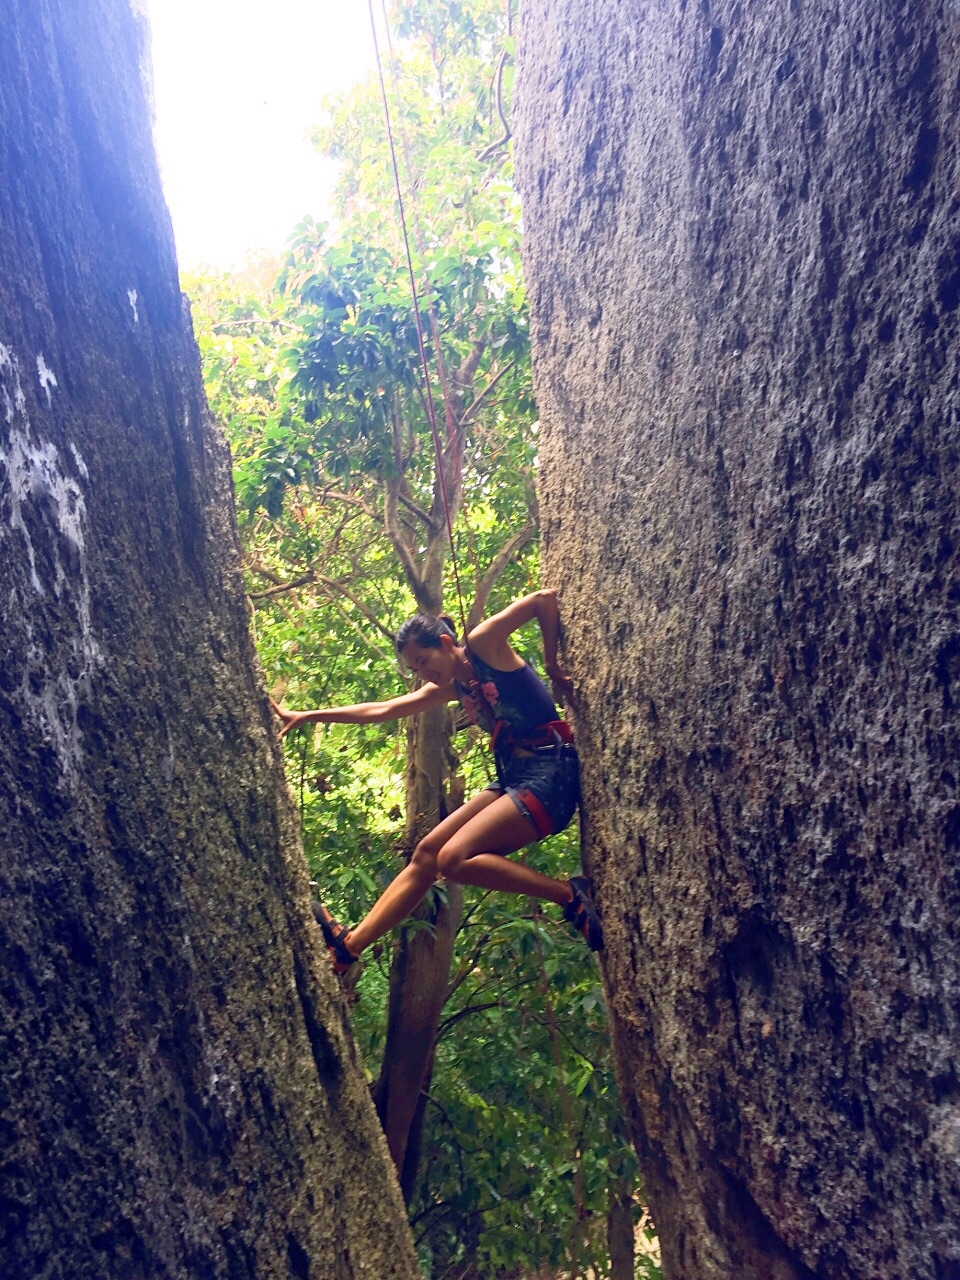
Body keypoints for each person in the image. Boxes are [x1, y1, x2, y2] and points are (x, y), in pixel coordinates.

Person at [272, 588, 602, 972]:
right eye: (415, 669)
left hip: (552, 773)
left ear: (446, 643)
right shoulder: (453, 685)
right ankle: (349, 948)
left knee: (453, 859)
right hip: (516, 777)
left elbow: (544, 599)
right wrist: (308, 715)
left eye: (425, 661)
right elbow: (385, 708)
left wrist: (551, 661)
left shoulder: (484, 645)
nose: (424, 674)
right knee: (427, 854)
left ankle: (568, 894)